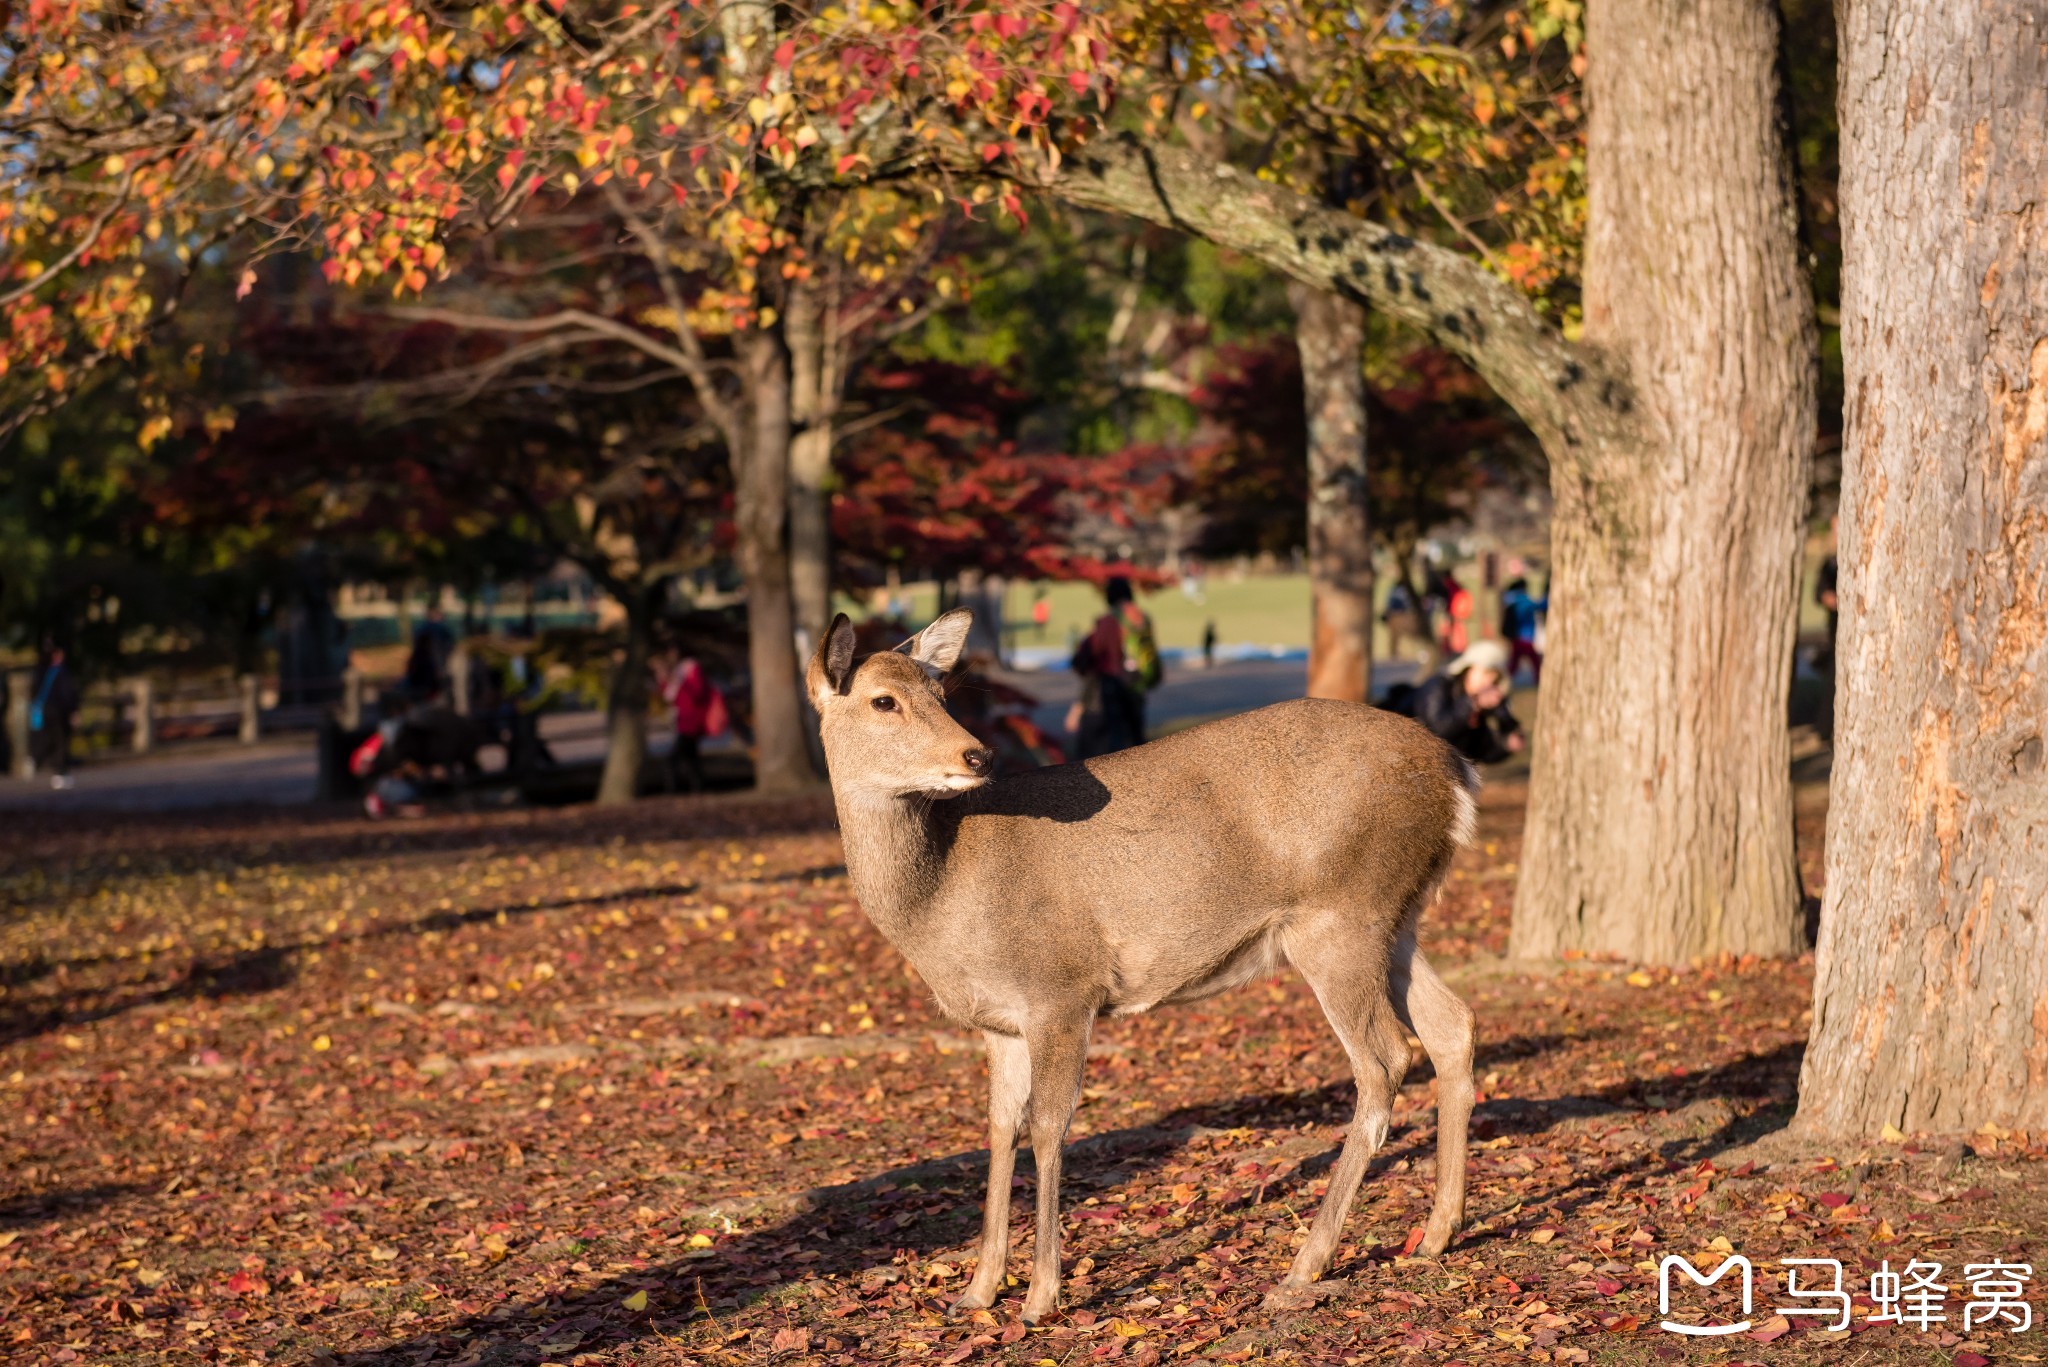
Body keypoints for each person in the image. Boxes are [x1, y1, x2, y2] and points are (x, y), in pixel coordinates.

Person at [1388, 639, 1525, 764]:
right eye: (1486, 673)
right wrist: (1472, 703)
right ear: (1468, 669)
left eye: (1495, 680)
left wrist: (1506, 745)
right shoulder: (1438, 686)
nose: (1489, 682)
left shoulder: (1474, 706)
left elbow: (1478, 752)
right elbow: (1436, 731)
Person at [1069, 575, 1160, 758]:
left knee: (1115, 741)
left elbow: (1091, 653)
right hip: (1136, 682)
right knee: (1136, 738)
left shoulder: (1109, 620)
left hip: (1113, 683)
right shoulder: (1142, 618)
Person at [656, 648, 726, 794]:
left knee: (673, 758)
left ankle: (673, 791)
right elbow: (670, 698)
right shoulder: (677, 672)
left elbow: (697, 694)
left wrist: (678, 683)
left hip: (692, 721)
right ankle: (699, 789)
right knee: (691, 758)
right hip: (684, 720)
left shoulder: (690, 668)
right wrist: (664, 680)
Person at [28, 643, 82, 789]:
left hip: (43, 710)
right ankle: (60, 773)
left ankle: (34, 760)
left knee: (46, 737)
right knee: (60, 741)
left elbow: (33, 691)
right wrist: (73, 710)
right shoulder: (61, 671)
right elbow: (68, 693)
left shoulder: (40, 671)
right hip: (59, 711)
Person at [1499, 577, 1548, 684]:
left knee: (1514, 662)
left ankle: (1504, 679)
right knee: (1534, 661)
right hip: (1525, 637)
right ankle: (1538, 680)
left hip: (1516, 636)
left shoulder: (1511, 600)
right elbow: (1542, 605)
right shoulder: (1523, 601)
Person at [403, 606, 455, 701]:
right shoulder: (440, 630)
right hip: (432, 670)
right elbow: (447, 648)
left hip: (425, 670)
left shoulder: (422, 629)